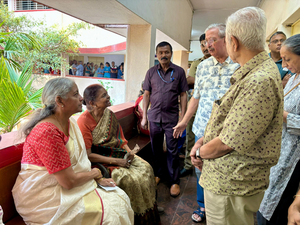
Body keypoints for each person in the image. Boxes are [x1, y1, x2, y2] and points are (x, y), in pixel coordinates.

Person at [189, 7, 283, 225]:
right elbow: (233, 121)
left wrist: (199, 152)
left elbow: (227, 144)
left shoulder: (259, 81)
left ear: (233, 41)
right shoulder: (251, 72)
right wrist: (204, 139)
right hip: (225, 179)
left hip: (231, 185)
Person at [12, 77, 134, 225]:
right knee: (112, 214)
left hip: (67, 184)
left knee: (120, 198)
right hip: (44, 196)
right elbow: (68, 182)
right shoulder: (47, 132)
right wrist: (95, 174)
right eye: (75, 94)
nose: (81, 98)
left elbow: (78, 163)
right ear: (60, 101)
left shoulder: (69, 122)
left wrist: (98, 179)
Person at [173, 25, 239, 223]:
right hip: (202, 127)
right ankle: (203, 206)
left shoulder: (239, 66)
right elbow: (196, 98)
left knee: (225, 170)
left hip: (227, 133)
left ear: (226, 39)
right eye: (205, 41)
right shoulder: (203, 66)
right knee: (201, 168)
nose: (207, 45)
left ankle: (225, 208)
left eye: (212, 40)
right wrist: (184, 122)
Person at [77, 84, 160, 225]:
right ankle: (135, 217)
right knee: (128, 179)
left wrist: (129, 153)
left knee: (146, 168)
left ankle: (150, 207)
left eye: (106, 93)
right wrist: (117, 162)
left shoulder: (109, 114)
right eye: (103, 96)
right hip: (100, 162)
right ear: (92, 103)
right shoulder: (83, 121)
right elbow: (89, 155)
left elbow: (121, 140)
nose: (108, 97)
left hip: (118, 154)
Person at [258, 34, 300, 225]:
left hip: (294, 158)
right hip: (280, 149)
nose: (284, 65)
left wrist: (280, 114)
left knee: (279, 207)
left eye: (288, 59)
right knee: (268, 201)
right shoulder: (293, 78)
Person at [141, 41, 189, 197]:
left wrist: (183, 118)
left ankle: (174, 181)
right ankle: (159, 174)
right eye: (161, 53)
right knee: (155, 149)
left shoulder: (179, 72)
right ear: (157, 54)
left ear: (171, 53)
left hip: (172, 119)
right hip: (154, 117)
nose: (164, 55)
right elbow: (146, 94)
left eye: (166, 52)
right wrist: (144, 117)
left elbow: (183, 94)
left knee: (172, 150)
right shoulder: (151, 72)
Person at [180, 33, 211, 178]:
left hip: (212, 109)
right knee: (190, 138)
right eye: (203, 44)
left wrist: (199, 79)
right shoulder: (198, 63)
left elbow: (194, 80)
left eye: (208, 43)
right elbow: (189, 81)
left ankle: (206, 166)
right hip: (195, 107)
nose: (206, 47)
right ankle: (188, 165)